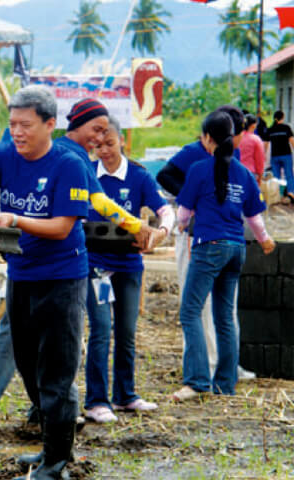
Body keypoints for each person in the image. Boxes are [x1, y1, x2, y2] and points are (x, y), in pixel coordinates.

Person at [0, 98, 161, 442]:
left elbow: (95, 204)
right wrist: (134, 224)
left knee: (53, 345)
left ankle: (47, 412)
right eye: (96, 129)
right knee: (18, 339)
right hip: (27, 267)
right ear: (71, 125)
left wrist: (135, 225)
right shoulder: (57, 155)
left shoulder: (72, 160)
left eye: (106, 132)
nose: (100, 137)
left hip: (61, 267)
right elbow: (99, 202)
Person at [0, 85, 90, 479]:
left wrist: (17, 220)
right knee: (29, 365)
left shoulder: (68, 163)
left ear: (49, 125)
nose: (17, 132)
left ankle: (57, 462)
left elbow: (62, 228)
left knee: (57, 371)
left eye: (26, 125)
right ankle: (52, 449)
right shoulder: (3, 155)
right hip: (23, 275)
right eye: (12, 124)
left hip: (63, 277)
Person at [172, 111, 275, 402]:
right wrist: (265, 240)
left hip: (208, 246)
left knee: (190, 311)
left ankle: (196, 380)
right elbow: (254, 217)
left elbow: (183, 213)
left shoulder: (199, 169)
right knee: (225, 317)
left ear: (207, 138)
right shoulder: (242, 172)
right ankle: (225, 384)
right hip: (236, 248)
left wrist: (180, 226)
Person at [84, 117, 175, 423]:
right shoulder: (86, 176)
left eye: (110, 144)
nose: (105, 151)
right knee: (101, 328)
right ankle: (96, 400)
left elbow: (166, 210)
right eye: (99, 146)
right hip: (97, 267)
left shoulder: (138, 176)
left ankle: (125, 395)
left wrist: (162, 231)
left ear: (122, 141)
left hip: (129, 265)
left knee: (126, 331)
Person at [157, 105, 255, 380]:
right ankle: (202, 366)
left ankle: (226, 366)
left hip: (225, 239)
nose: (237, 141)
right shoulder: (194, 153)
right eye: (236, 134)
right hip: (195, 234)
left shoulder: (230, 157)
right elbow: (164, 175)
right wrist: (194, 198)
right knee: (196, 304)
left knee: (224, 307)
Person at [266, 110, 294, 203]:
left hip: (275, 156)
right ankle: (290, 194)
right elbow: (292, 140)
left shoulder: (270, 129)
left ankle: (277, 196)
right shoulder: (286, 128)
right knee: (289, 175)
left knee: (276, 177)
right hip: (286, 155)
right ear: (283, 117)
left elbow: (266, 144)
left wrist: (265, 155)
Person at [239, 114, 265, 185]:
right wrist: (260, 176)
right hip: (250, 174)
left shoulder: (236, 138)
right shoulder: (256, 139)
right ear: (253, 125)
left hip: (235, 173)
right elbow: (259, 160)